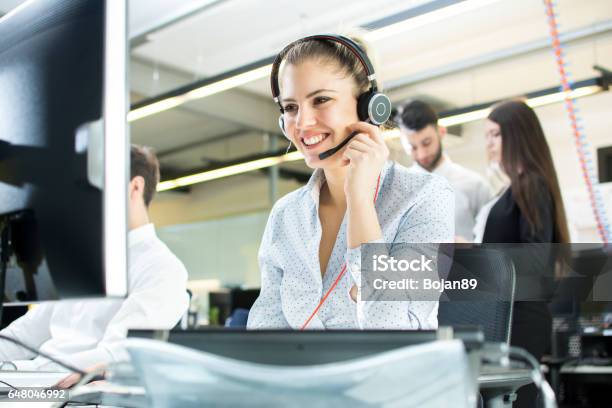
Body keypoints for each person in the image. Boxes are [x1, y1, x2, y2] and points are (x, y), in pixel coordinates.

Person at [247, 35, 454, 331]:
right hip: (303, 377)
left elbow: (392, 333)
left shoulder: (425, 198)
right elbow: (265, 329)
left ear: (369, 107)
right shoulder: (286, 215)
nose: (302, 123)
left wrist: (359, 201)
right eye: (291, 107)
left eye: (321, 100)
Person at [0, 145, 189, 371]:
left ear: (135, 187)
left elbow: (115, 355)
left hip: (81, 396)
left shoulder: (163, 268)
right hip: (40, 384)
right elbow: (23, 335)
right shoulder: (78, 263)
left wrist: (17, 371)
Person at [473, 100, 570, 408]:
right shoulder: (515, 188)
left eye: (495, 135)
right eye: (486, 135)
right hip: (507, 314)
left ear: (517, 136)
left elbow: (534, 259)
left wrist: (478, 256)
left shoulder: (532, 185)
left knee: (515, 400)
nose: (488, 143)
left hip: (521, 317)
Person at [396, 100, 492, 241]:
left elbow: (493, 244)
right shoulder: (397, 190)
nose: (422, 154)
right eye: (412, 147)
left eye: (427, 143)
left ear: (441, 132)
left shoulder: (476, 186)